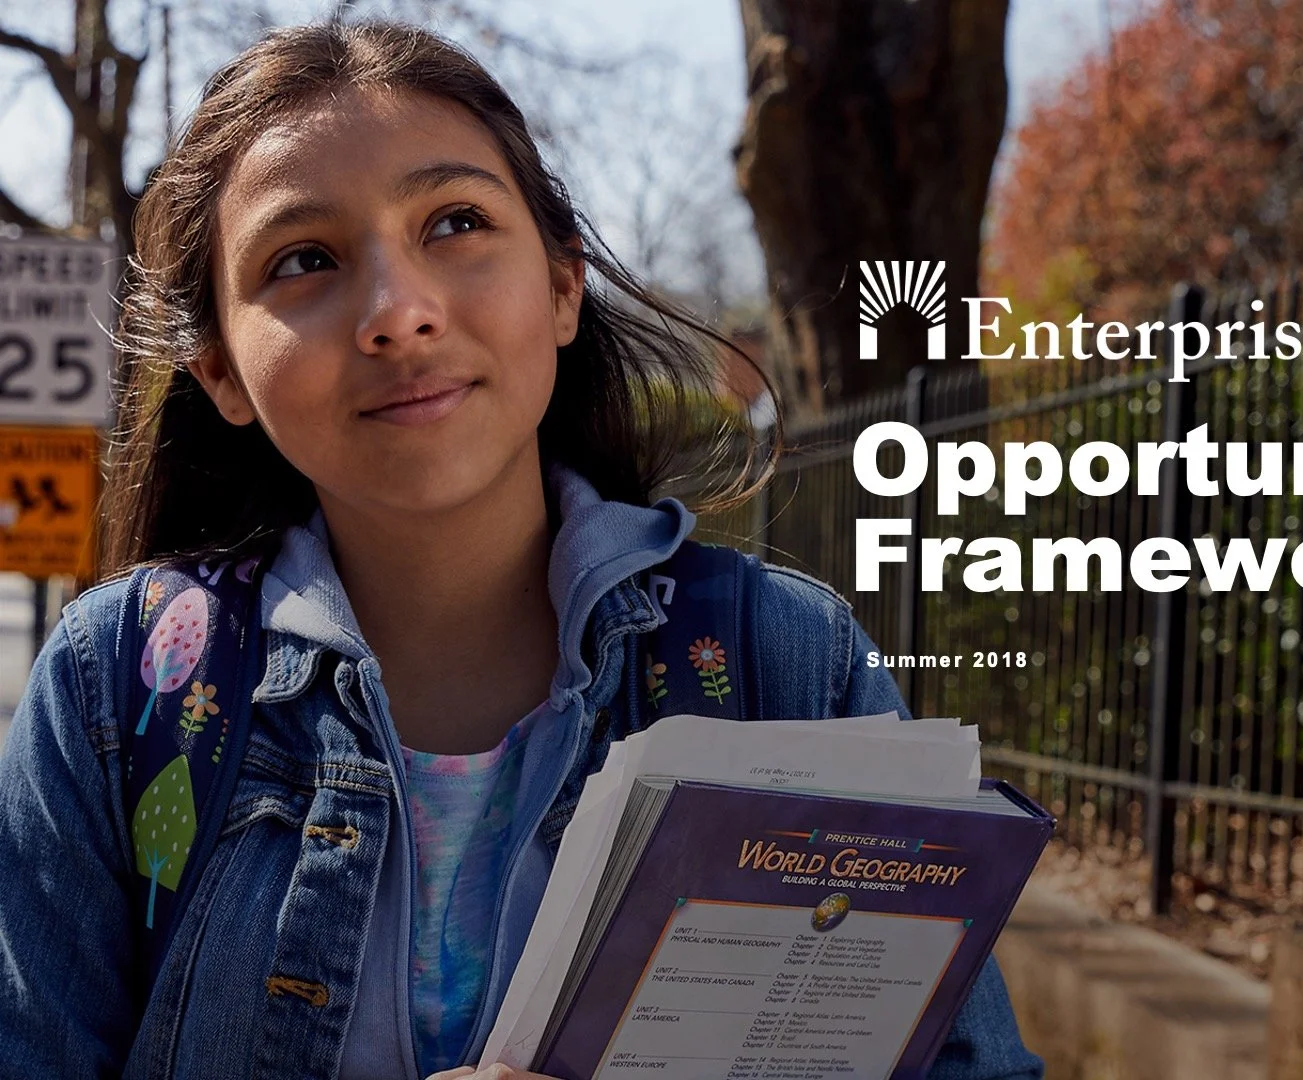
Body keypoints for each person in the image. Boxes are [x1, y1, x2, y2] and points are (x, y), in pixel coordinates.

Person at [0, 19, 1043, 1080]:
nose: (398, 314)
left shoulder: (785, 661)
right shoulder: (117, 692)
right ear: (222, 369)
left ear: (559, 287)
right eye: (303, 259)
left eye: (454, 221)